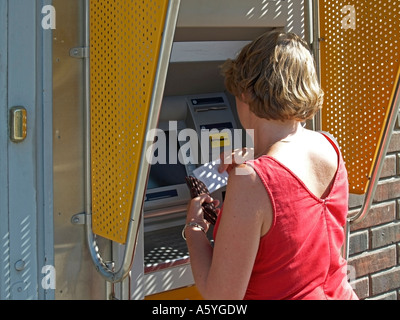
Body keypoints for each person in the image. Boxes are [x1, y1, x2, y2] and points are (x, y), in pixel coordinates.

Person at [183, 30, 358, 300]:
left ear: (246, 93)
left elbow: (221, 297)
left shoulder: (252, 180)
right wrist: (257, 156)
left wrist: (194, 229)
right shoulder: (329, 146)